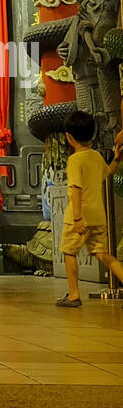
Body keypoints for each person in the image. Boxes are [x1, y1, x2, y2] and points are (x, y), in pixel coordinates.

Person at [56, 110, 123, 308]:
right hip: (98, 216)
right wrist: (117, 158)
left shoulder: (74, 160)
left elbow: (75, 189)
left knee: (69, 252)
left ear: (69, 137)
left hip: (79, 216)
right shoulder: (95, 156)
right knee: (104, 255)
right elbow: (107, 173)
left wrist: (77, 218)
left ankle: (74, 294)